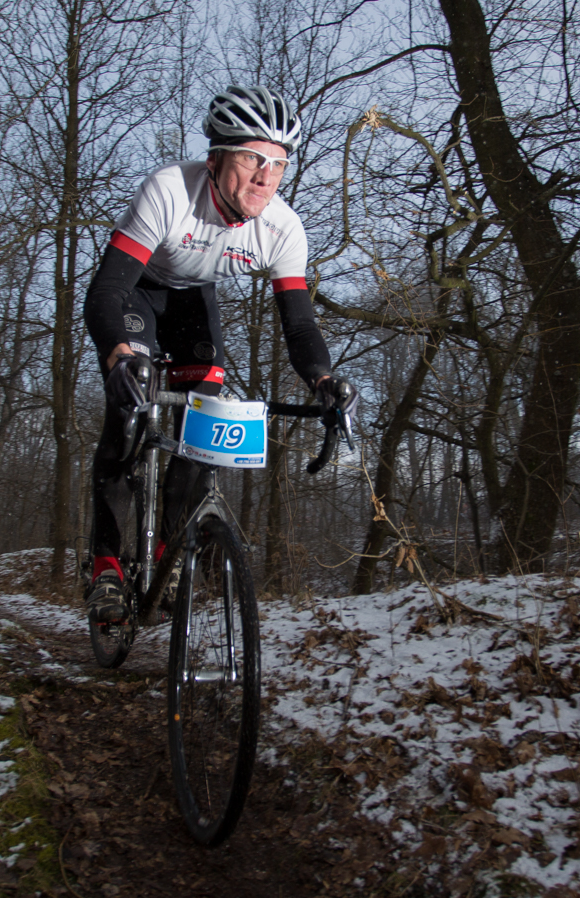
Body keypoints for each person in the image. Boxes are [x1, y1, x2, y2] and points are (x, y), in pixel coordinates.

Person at [81, 86, 357, 624]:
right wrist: (118, 357)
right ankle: (107, 566)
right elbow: (106, 291)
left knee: (203, 429)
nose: (265, 177)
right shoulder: (169, 190)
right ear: (214, 160)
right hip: (138, 293)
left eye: (278, 164)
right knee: (130, 412)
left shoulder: (282, 228)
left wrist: (323, 381)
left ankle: (168, 556)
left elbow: (300, 325)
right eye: (252, 159)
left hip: (192, 305)